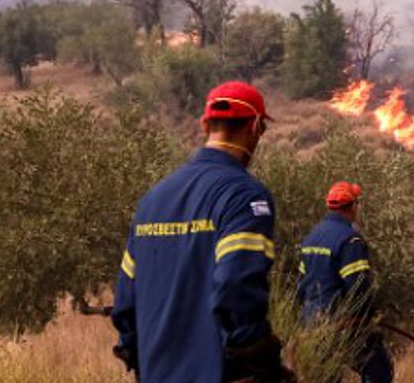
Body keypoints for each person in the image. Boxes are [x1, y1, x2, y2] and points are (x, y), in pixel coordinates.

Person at [111, 81, 294, 382]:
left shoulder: (152, 200)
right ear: (255, 127)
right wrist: (262, 362)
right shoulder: (245, 196)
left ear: (205, 124)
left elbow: (126, 300)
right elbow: (236, 285)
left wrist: (137, 354)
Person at [297, 181, 394, 383]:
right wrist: (370, 317)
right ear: (352, 207)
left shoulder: (311, 238)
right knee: (378, 371)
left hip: (312, 324)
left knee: (325, 377)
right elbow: (358, 286)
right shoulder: (350, 241)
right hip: (343, 325)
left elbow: (301, 286)